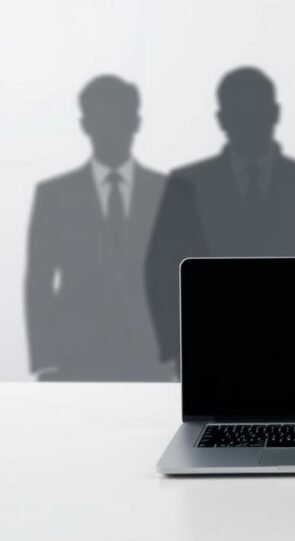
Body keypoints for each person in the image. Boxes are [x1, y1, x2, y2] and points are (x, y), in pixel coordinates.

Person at [145, 67, 295, 373]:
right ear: (222, 119)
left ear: (275, 113)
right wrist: (177, 347)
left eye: (256, 110)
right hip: (210, 349)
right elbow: (162, 268)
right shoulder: (188, 184)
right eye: (240, 112)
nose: (250, 122)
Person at [25, 75, 170, 381]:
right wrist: (45, 360)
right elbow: (38, 281)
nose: (111, 128)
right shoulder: (54, 195)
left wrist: (182, 358)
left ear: (136, 122)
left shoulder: (167, 192)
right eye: (102, 118)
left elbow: (178, 278)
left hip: (152, 360)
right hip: (75, 361)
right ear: (85, 125)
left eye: (120, 118)